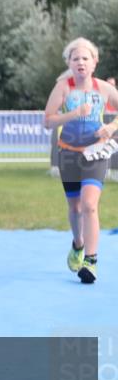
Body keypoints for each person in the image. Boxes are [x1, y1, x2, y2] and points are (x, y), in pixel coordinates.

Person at [43, 38, 118, 284]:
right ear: (69, 63)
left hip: (96, 154)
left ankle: (91, 261)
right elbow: (48, 121)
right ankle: (78, 244)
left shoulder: (103, 89)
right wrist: (74, 113)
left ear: (95, 62)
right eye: (76, 59)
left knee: (89, 205)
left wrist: (112, 127)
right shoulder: (63, 88)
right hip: (68, 155)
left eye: (86, 58)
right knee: (75, 208)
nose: (81, 62)